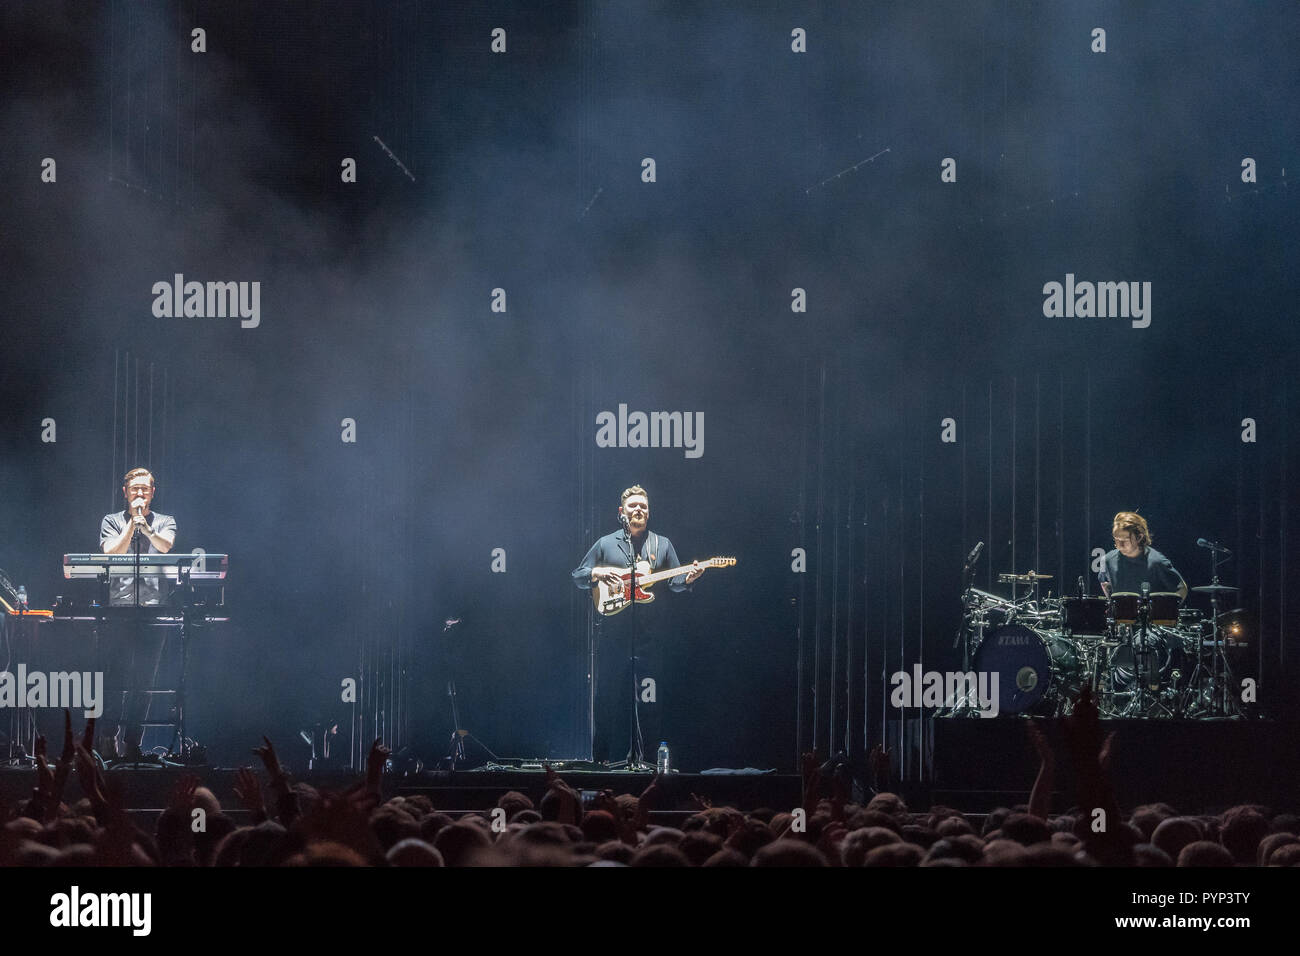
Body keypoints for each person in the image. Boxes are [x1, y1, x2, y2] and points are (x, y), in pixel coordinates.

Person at [572, 486, 703, 767]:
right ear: (622, 512)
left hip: (649, 640)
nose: (639, 510)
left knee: (650, 703)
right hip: (613, 639)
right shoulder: (605, 544)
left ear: (649, 511)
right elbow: (578, 576)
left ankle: (650, 764)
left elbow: (675, 582)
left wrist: (688, 578)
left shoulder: (662, 544)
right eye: (633, 506)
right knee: (605, 701)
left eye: (643, 506)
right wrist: (598, 572)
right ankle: (600, 762)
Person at [98, 467, 178, 758]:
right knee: (115, 678)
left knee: (144, 681)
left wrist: (146, 527)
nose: (140, 494)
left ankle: (133, 742)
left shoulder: (166, 521)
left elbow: (166, 546)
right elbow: (111, 552)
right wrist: (132, 524)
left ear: (153, 492)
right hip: (119, 610)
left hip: (153, 611)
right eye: (135, 490)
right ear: (125, 493)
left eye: (145, 489)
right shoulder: (112, 521)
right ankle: (108, 738)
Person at [1097, 511, 1188, 600]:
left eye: (1125, 540)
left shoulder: (1156, 562)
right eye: (1116, 539)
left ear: (1139, 537)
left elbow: (1182, 589)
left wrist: (1167, 612)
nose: (1120, 544)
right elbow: (1104, 583)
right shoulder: (1107, 560)